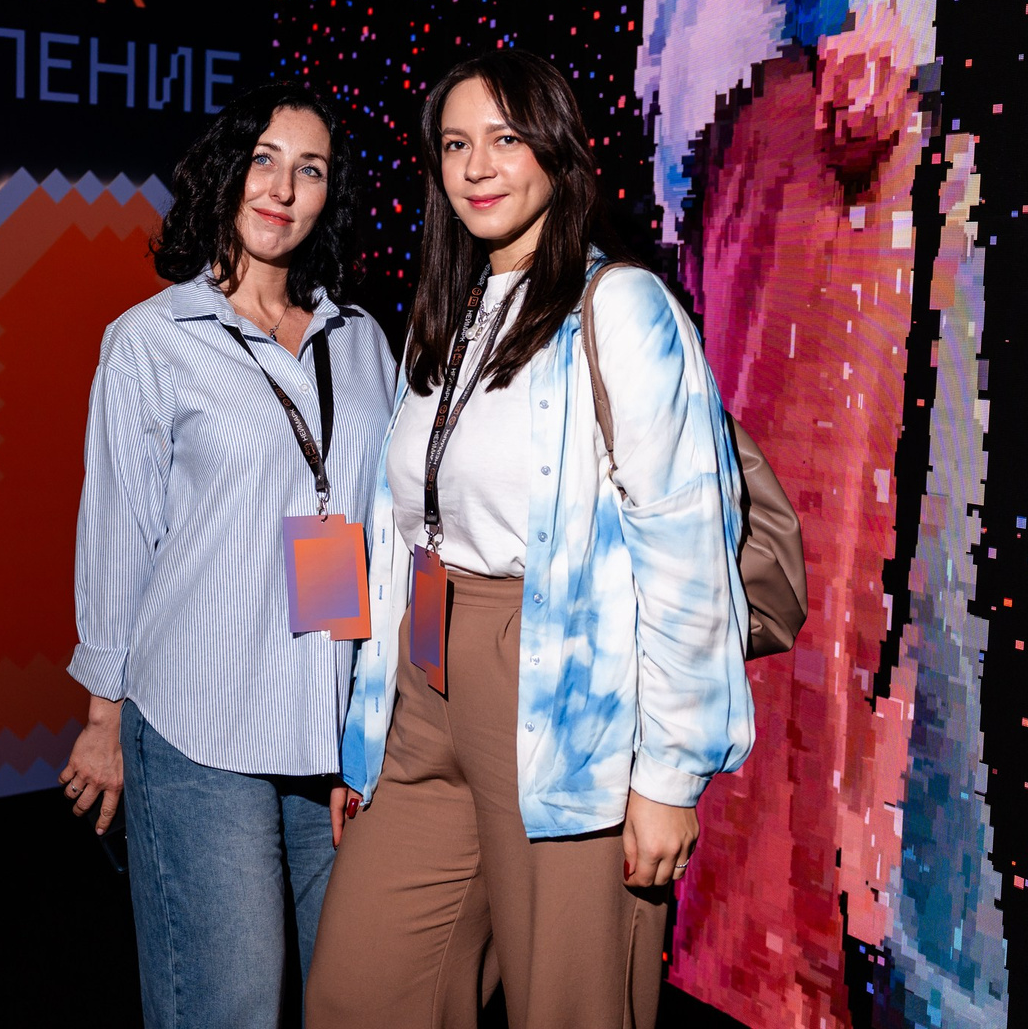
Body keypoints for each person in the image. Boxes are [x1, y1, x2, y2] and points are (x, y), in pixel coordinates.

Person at [305, 50, 754, 1029]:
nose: (477, 166)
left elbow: (689, 553)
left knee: (566, 1004)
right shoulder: (451, 312)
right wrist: (366, 734)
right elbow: (401, 528)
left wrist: (668, 778)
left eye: (505, 138)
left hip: (557, 685)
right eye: (455, 144)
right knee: (358, 989)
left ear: (557, 150)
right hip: (428, 671)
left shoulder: (621, 306)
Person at [60, 82, 398, 1028]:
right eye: (263, 160)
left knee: (352, 1003)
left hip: (337, 734)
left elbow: (390, 522)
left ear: (331, 196)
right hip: (201, 725)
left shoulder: (362, 341)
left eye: (310, 170)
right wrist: (103, 717)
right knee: (231, 1008)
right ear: (224, 173)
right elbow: (117, 534)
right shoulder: (150, 341)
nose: (282, 189)